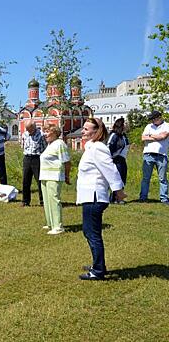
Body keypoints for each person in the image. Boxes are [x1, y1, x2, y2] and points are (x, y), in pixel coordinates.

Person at [77, 118, 126, 280]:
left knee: (92, 233)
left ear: (96, 131)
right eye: (83, 128)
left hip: (95, 196)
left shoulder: (98, 148)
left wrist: (118, 190)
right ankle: (99, 265)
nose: (83, 131)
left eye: (86, 129)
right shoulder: (91, 147)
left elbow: (110, 169)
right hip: (89, 196)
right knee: (89, 231)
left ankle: (98, 270)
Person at [39, 124, 71, 235]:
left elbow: (66, 161)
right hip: (44, 176)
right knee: (47, 201)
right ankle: (50, 223)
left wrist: (66, 176)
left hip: (54, 176)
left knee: (54, 200)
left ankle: (58, 226)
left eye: (47, 131)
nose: (45, 134)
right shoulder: (50, 144)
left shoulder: (60, 144)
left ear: (55, 132)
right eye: (44, 131)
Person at [139, 110, 169, 204]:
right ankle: (143, 197)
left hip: (161, 155)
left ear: (159, 117)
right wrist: (156, 136)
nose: (152, 121)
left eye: (154, 119)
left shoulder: (167, 125)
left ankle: (164, 198)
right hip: (148, 154)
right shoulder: (148, 126)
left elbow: (163, 137)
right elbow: (143, 138)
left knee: (162, 178)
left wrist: (150, 135)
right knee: (146, 178)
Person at [21, 119, 46, 206]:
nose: (28, 131)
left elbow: (45, 148)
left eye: (29, 129)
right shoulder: (24, 134)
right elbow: (23, 145)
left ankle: (43, 201)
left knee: (39, 181)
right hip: (27, 158)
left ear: (34, 127)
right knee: (25, 181)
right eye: (27, 129)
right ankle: (25, 201)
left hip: (37, 158)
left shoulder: (41, 135)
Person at [107, 118, 130, 204]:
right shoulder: (114, 135)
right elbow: (109, 146)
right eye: (125, 124)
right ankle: (116, 198)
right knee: (117, 178)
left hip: (122, 159)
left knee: (122, 178)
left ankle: (117, 197)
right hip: (115, 159)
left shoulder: (123, 135)